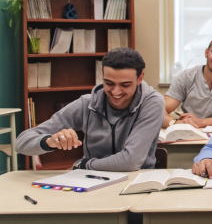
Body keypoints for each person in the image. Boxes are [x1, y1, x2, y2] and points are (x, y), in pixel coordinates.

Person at [16, 48, 165, 171]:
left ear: (140, 78)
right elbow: (21, 143)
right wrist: (49, 141)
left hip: (136, 182)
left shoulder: (152, 103)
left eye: (125, 85)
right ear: (102, 76)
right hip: (92, 180)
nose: (116, 92)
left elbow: (130, 162)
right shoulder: (87, 103)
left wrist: (84, 164)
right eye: (109, 83)